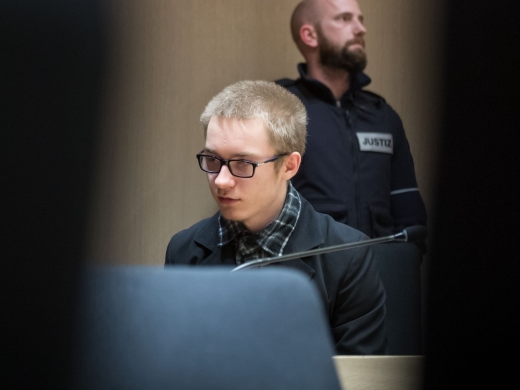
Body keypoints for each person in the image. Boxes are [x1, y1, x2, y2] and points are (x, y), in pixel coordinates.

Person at [164, 80, 387, 355]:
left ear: (289, 166)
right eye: (212, 160)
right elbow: (175, 361)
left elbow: (359, 374)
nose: (221, 181)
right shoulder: (183, 250)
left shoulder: (348, 256)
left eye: (242, 164)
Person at [277, 0, 427, 239]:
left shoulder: (382, 115)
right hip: (309, 261)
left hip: (381, 260)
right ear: (310, 35)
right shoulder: (277, 110)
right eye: (345, 18)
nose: (360, 29)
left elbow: (409, 211)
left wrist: (407, 254)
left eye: (360, 19)